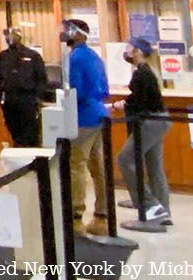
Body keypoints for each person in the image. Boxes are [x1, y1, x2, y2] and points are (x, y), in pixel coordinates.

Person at [113, 38, 171, 225]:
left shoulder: (141, 74)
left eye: (129, 48)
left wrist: (126, 105)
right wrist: (127, 101)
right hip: (160, 120)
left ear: (137, 51)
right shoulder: (148, 71)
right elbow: (141, 96)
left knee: (124, 160)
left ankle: (150, 206)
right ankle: (163, 210)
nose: (126, 51)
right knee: (154, 166)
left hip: (149, 122)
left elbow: (140, 102)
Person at [64, 18, 111, 236]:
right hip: (99, 114)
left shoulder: (76, 58)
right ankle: (102, 215)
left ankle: (75, 218)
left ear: (78, 34)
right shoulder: (94, 56)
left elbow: (75, 90)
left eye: (67, 30)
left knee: (77, 166)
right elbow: (104, 89)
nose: (64, 34)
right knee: (97, 166)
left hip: (83, 117)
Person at [0, 28, 48, 147]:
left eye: (12, 35)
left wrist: (37, 99)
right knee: (15, 133)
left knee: (30, 134)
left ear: (19, 36)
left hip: (27, 99)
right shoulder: (3, 56)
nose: (9, 38)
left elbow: (42, 79)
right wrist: (1, 99)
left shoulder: (32, 56)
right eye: (7, 36)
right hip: (10, 100)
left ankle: (32, 161)